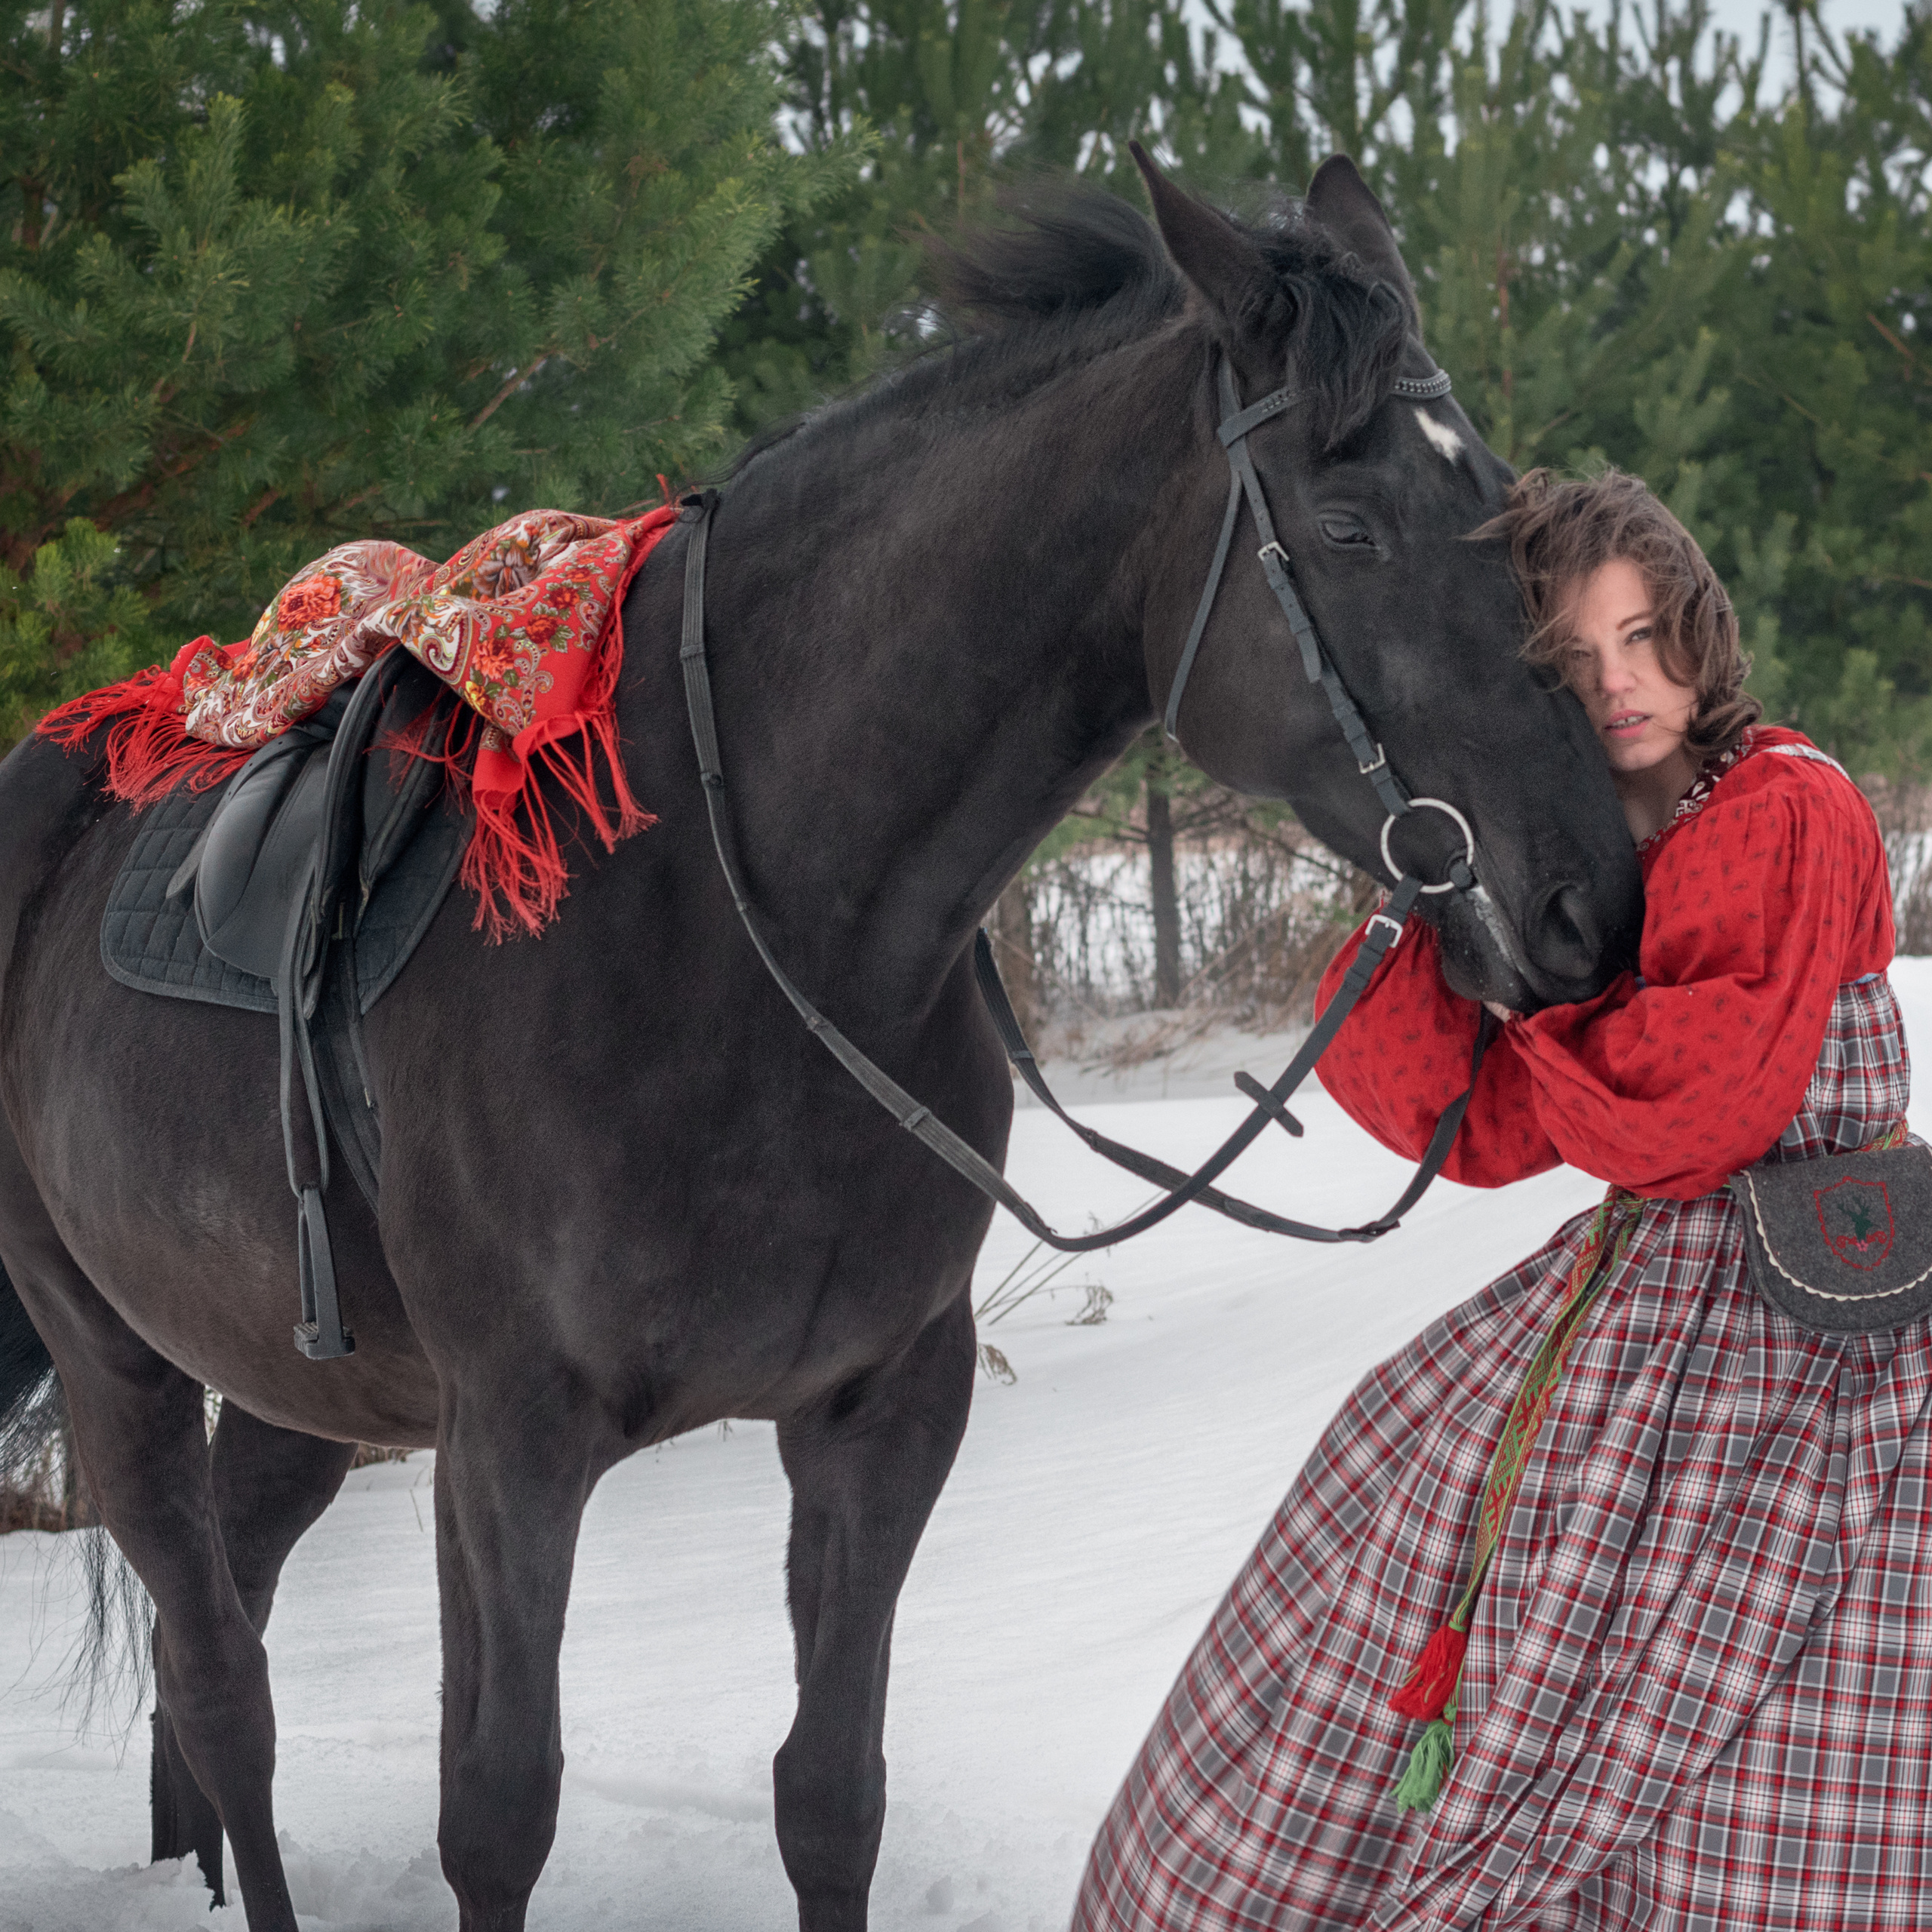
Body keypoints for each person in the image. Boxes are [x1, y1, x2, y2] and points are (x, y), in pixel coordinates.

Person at [1072, 469, 1921, 1931]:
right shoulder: (1556, 830)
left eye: (1646, 637)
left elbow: (1692, 1106)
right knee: (1404, 1456)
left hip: (1817, 1271)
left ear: (1698, 633)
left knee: (1779, 1612)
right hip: (1656, 1259)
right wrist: (1420, 916)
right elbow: (1455, 1121)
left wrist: (1532, 1026)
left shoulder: (1781, 799)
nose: (1621, 685)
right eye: (1570, 659)